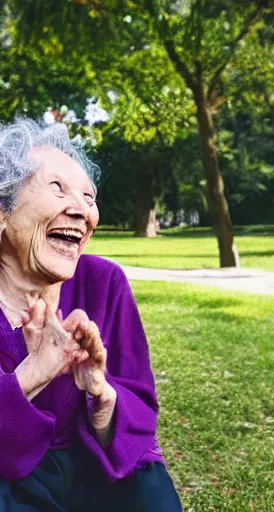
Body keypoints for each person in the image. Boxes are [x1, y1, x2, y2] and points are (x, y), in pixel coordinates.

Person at [0, 118, 182, 511]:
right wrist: (35, 372)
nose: (82, 210)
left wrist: (102, 399)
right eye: (57, 188)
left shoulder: (104, 282)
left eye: (89, 196)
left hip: (91, 469)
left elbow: (140, 414)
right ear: (2, 212)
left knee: (150, 491)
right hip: (8, 481)